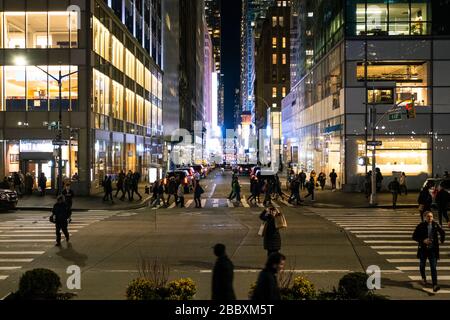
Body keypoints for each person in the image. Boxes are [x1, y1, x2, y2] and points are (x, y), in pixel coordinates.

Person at [413, 211, 445, 292]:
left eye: (431, 216)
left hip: (433, 250)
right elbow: (414, 236)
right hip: (423, 249)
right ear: (425, 217)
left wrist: (442, 240)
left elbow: (442, 232)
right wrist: (423, 240)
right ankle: (423, 278)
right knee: (422, 265)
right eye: (428, 216)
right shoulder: (421, 225)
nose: (430, 218)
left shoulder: (435, 225)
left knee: (433, 267)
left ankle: (435, 285)